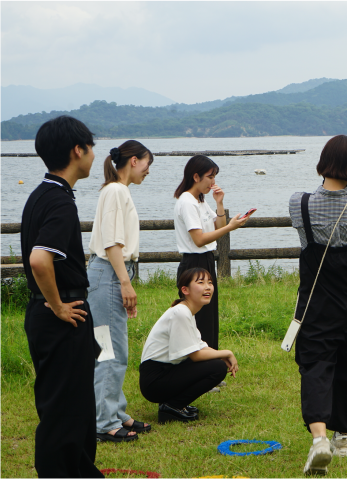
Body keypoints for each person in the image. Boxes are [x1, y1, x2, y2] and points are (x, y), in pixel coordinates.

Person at [20, 115, 104, 478]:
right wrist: (57, 305)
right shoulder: (59, 201)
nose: (93, 156)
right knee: (65, 411)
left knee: (73, 406)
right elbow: (40, 260)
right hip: (60, 315)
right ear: (77, 150)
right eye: (91, 148)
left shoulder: (40, 195)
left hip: (49, 315)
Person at [289, 135, 347, 476]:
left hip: (317, 298)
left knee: (315, 362)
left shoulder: (299, 202)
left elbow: (304, 237)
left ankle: (319, 438)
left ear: (324, 161)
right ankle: (344, 437)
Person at [87, 140, 154, 443]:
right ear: (134, 160)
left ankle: (114, 412)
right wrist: (125, 283)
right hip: (110, 273)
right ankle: (105, 422)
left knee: (110, 347)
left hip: (108, 273)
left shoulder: (115, 190)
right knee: (111, 351)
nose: (147, 171)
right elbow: (113, 242)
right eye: (147, 164)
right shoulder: (116, 190)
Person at [139, 267, 238, 423]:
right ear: (185, 290)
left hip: (161, 374)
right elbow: (196, 355)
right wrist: (227, 353)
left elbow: (199, 346)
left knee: (215, 363)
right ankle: (172, 406)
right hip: (154, 381)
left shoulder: (187, 312)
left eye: (210, 282)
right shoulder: (181, 313)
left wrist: (221, 355)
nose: (208, 287)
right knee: (217, 368)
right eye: (201, 282)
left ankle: (177, 404)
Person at [173, 155, 248, 351]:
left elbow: (218, 226)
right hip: (193, 263)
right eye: (210, 177)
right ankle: (199, 370)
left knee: (210, 315)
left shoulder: (200, 200)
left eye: (214, 177)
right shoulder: (187, 201)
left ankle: (211, 367)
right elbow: (199, 240)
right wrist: (230, 228)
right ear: (196, 177)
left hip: (206, 260)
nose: (213, 182)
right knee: (198, 320)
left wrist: (220, 203)